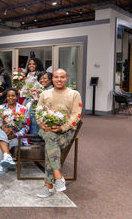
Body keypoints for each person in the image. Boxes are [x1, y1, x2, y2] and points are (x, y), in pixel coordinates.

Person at [35, 69, 82, 198]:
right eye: (56, 77)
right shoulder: (45, 94)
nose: (59, 79)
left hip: (65, 131)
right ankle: (57, 176)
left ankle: (48, 186)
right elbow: (38, 112)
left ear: (66, 78)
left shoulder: (74, 94)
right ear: (52, 79)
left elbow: (76, 115)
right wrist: (41, 124)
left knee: (50, 143)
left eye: (62, 77)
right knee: (50, 136)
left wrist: (63, 128)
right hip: (46, 129)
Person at [0, 88, 30, 175]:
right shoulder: (1, 108)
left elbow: (26, 126)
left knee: (2, 142)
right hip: (4, 133)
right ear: (6, 97)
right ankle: (7, 158)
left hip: (17, 137)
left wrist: (15, 134)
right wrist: (4, 129)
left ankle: (3, 164)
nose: (11, 98)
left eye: (13, 95)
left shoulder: (23, 109)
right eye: (8, 96)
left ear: (17, 96)